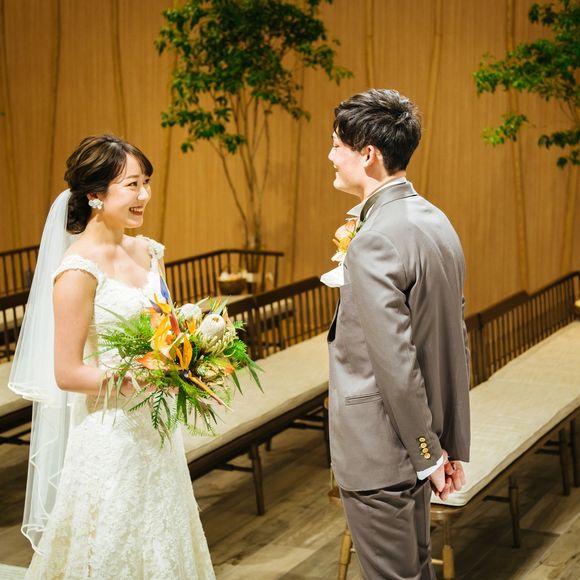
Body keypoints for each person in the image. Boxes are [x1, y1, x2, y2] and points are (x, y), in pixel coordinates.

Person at [9, 135, 215, 579]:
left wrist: (188, 359)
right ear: (95, 195)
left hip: (158, 429)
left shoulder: (149, 251)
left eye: (146, 183)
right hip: (111, 433)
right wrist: (141, 375)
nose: (144, 196)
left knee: (164, 539)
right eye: (132, 185)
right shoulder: (77, 270)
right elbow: (67, 372)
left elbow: (166, 330)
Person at [324, 89, 470, 579]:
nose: (331, 157)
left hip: (382, 448)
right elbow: (453, 343)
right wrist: (443, 445)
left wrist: (428, 454)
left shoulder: (376, 239)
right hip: (418, 440)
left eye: (337, 146)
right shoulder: (434, 219)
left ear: (368, 154)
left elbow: (395, 361)